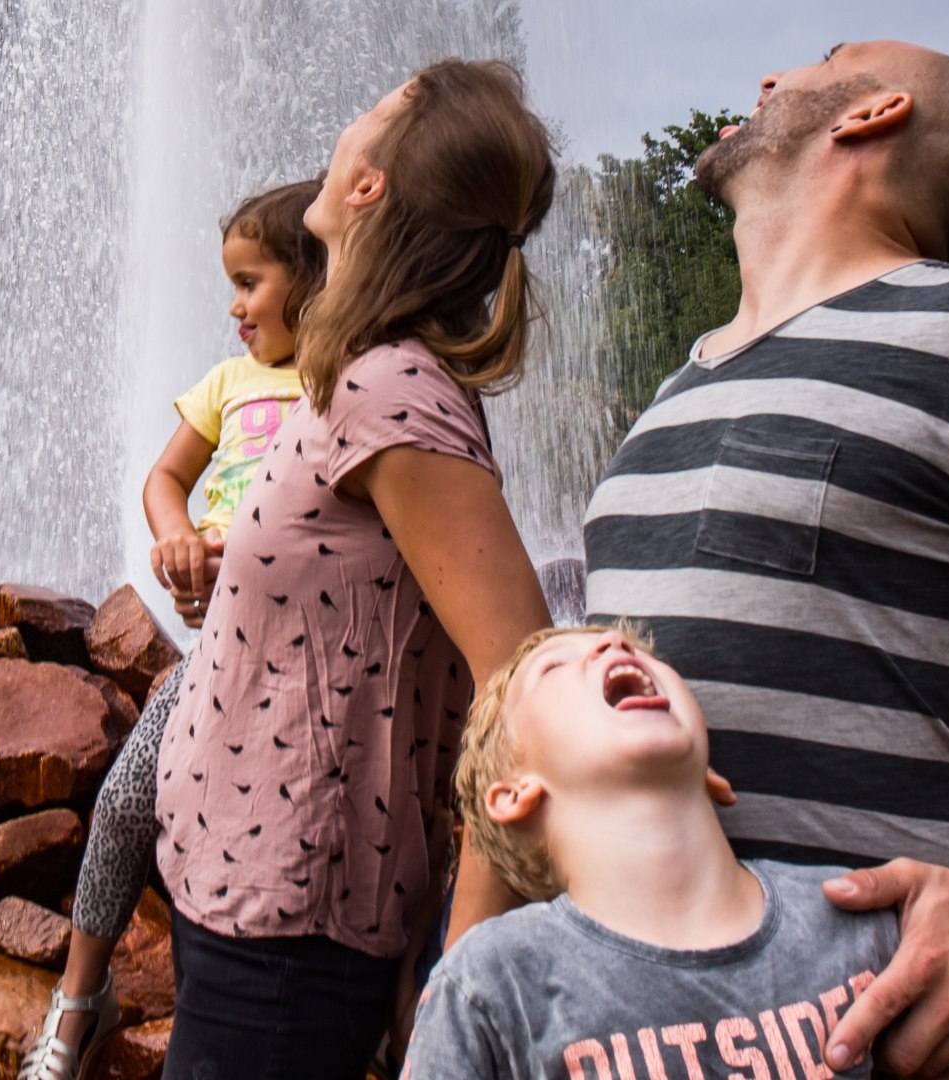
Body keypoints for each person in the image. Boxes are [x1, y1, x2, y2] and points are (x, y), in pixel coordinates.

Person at [443, 39, 949, 1080]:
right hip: (645, 1034)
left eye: (825, 58)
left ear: (872, 112)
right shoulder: (672, 398)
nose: (768, 76)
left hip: (890, 1025)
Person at [150, 59, 556, 1080]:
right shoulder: (363, 376)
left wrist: (460, 962)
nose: (348, 122)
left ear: (369, 186)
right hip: (243, 892)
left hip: (290, 926)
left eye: (377, 111)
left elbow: (525, 686)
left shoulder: (391, 391)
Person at [405, 625, 949, 1080]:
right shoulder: (492, 982)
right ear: (513, 794)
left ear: (711, 774)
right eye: (555, 668)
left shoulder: (859, 921)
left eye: (633, 647)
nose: (611, 645)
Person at [19, 179, 326, 1080]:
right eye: (232, 285)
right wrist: (179, 539)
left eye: (250, 283)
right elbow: (164, 480)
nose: (234, 307)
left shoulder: (348, 382)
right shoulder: (228, 384)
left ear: (312, 278)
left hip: (317, 657)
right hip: (222, 650)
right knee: (125, 798)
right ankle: (80, 997)